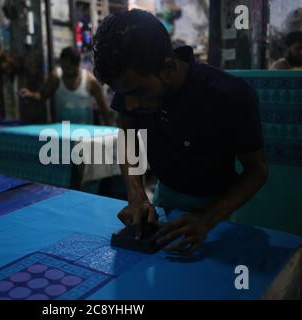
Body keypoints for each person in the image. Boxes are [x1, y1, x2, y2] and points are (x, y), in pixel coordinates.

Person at [93, 10, 268, 255]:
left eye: (138, 93)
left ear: (167, 68)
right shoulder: (131, 82)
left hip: (217, 207)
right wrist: (136, 194)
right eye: (122, 94)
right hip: (164, 197)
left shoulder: (229, 95)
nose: (129, 105)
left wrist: (207, 219)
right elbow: (129, 139)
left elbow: (257, 171)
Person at [20, 47, 109, 125]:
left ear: (77, 65)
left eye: (68, 67)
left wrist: (108, 130)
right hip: (63, 133)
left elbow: (103, 108)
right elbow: (42, 96)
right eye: (63, 66)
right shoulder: (56, 77)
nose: (65, 70)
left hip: (85, 134)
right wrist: (30, 94)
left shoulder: (90, 81)